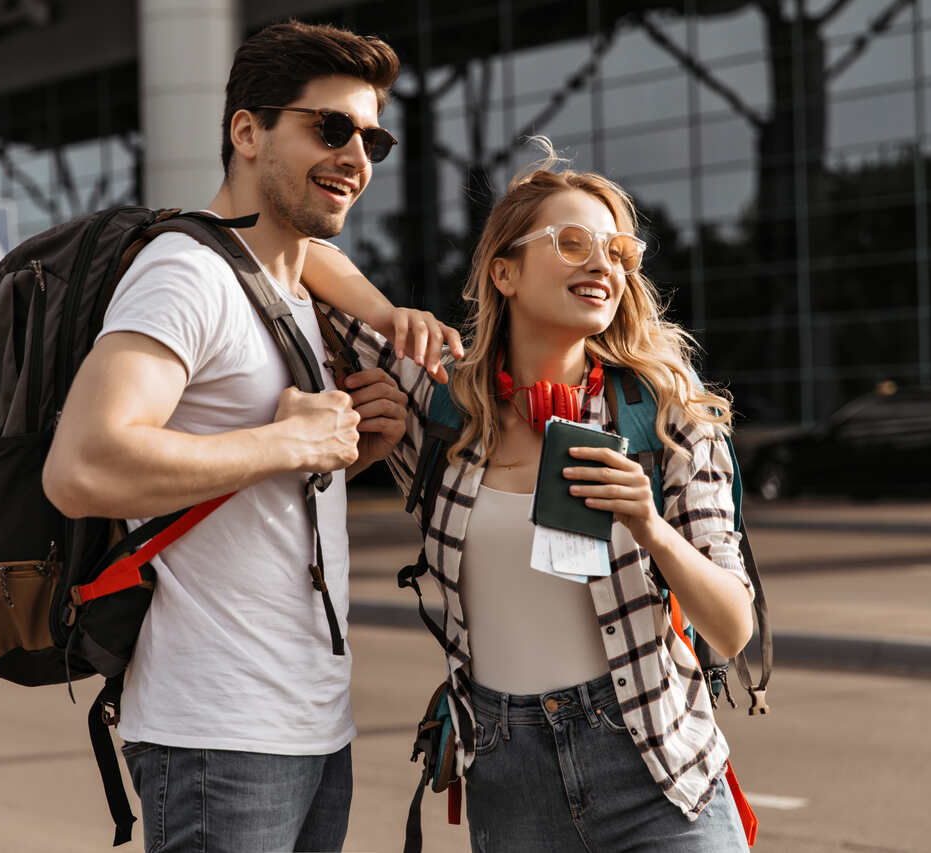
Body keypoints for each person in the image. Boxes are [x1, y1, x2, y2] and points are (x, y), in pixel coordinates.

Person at [42, 20, 459, 853]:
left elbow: (255, 467)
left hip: (310, 724)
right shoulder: (185, 274)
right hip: (217, 734)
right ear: (247, 131)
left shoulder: (291, 284)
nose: (357, 155)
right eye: (328, 127)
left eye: (371, 136)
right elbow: (83, 464)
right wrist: (291, 446)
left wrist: (347, 450)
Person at [309, 141, 755, 851]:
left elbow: (733, 628)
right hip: (509, 779)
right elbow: (300, 255)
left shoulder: (668, 414)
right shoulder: (445, 405)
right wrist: (393, 316)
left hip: (656, 769)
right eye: (572, 242)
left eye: (619, 250)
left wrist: (649, 525)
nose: (603, 264)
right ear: (504, 271)